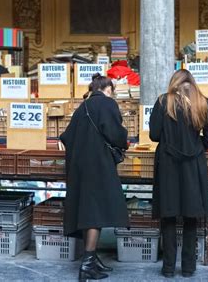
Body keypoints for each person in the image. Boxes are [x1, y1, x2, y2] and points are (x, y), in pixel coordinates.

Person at [60, 73, 129, 281]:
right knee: (95, 212)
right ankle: (87, 264)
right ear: (108, 90)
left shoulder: (82, 107)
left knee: (90, 210)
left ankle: (92, 259)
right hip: (99, 165)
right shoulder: (108, 105)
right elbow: (116, 134)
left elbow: (66, 136)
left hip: (79, 167)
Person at [149, 69, 208, 278]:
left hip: (168, 165)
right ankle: (188, 268)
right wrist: (196, 146)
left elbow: (153, 135)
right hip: (193, 166)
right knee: (191, 217)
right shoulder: (204, 103)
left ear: (174, 83)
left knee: (168, 217)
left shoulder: (162, 102)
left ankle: (168, 268)